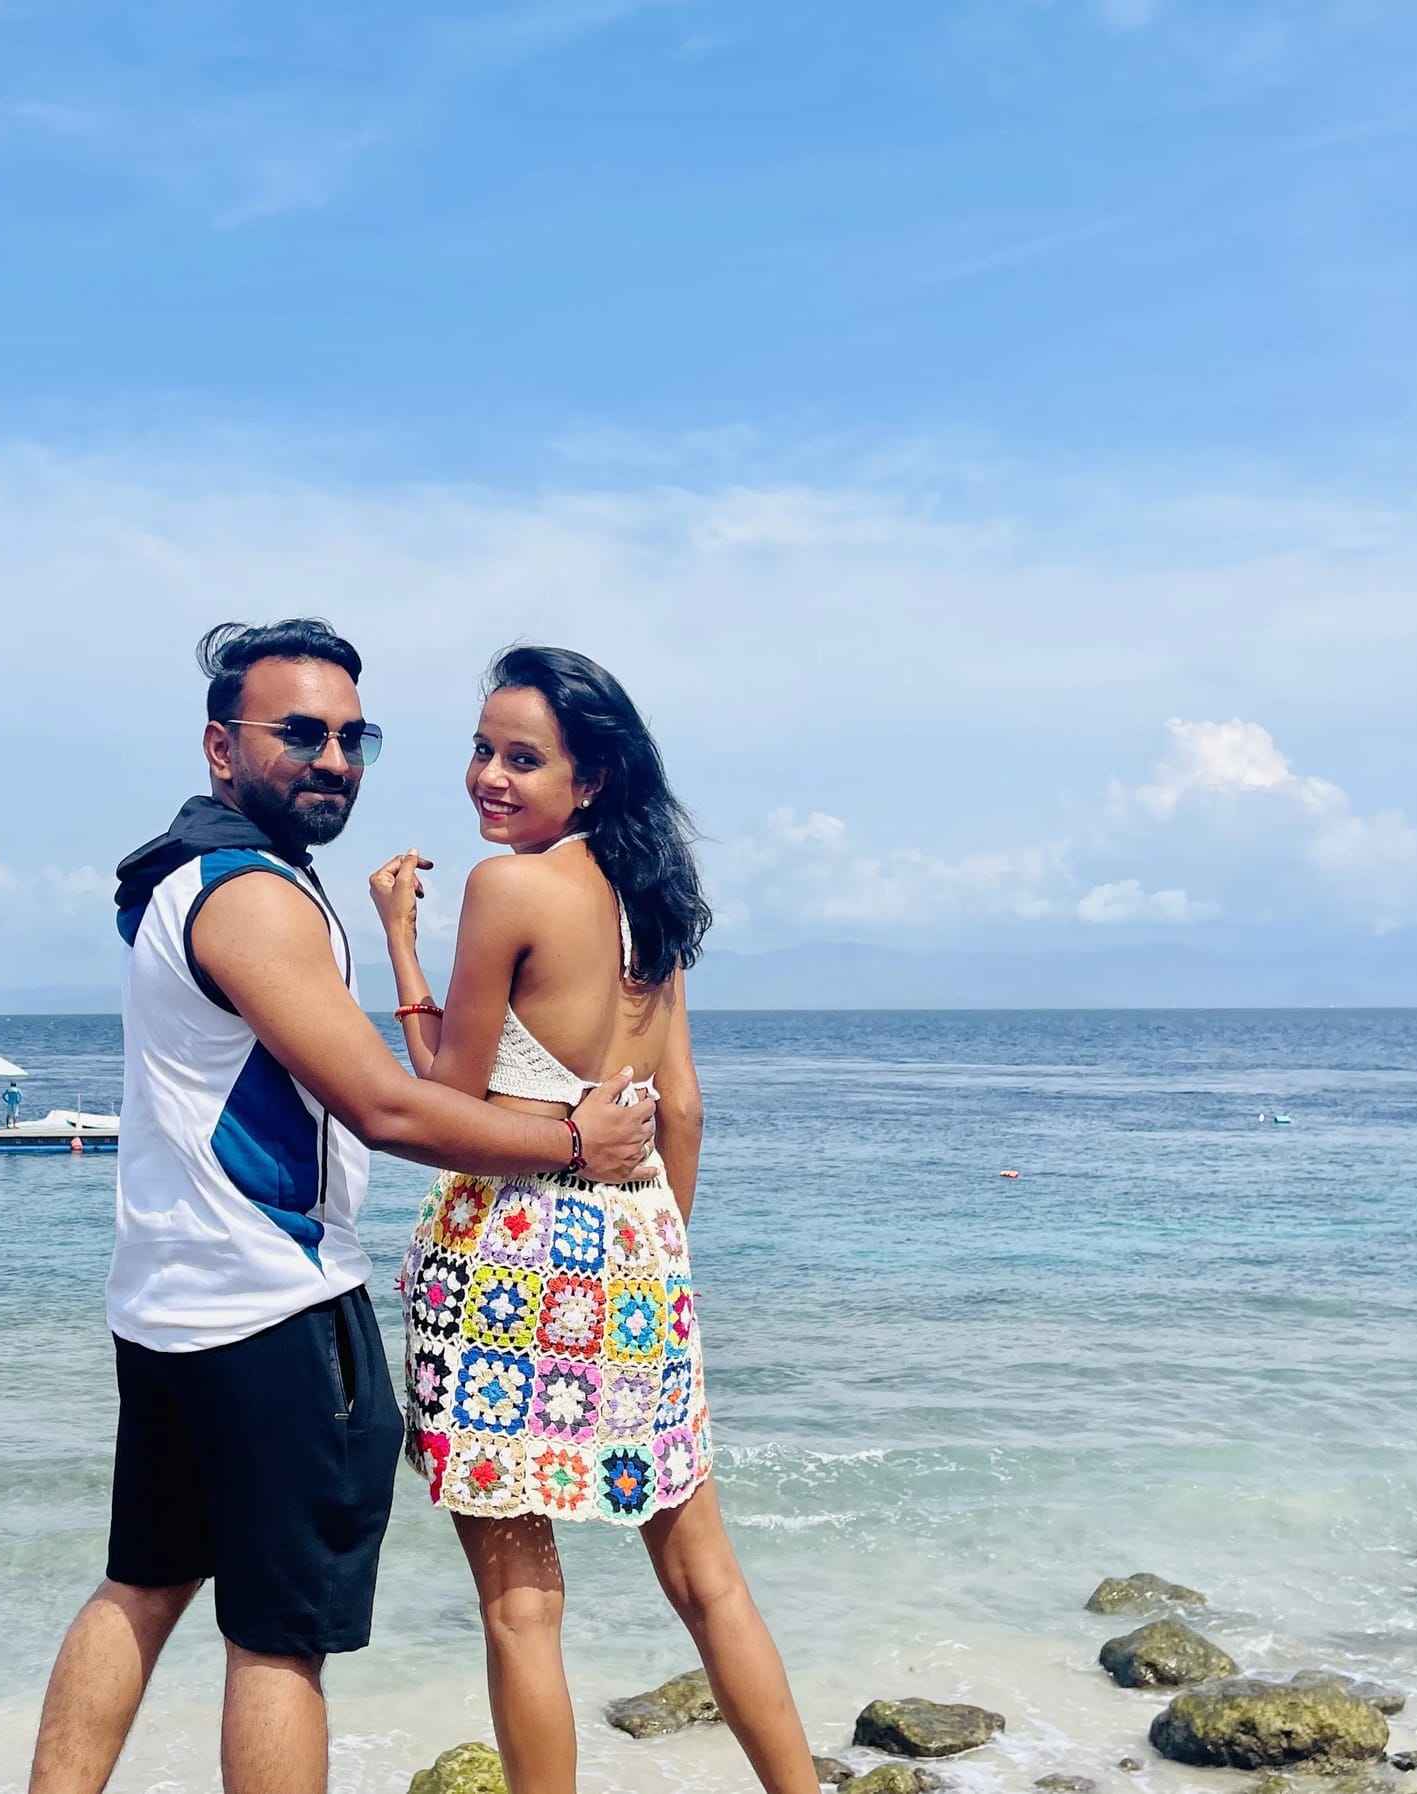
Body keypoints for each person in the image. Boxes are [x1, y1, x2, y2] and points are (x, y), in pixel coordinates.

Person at [27, 621, 659, 1794]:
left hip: (165, 1305)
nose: (332, 759)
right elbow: (384, 1108)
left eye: (351, 738)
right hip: (270, 1310)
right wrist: (576, 1141)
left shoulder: (181, 878)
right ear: (221, 747)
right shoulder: (250, 899)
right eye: (300, 733)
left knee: (143, 1585)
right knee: (278, 1642)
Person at [370, 646, 822, 1794]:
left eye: (523, 759)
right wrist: (651, 1268)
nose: (490, 776)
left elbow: (447, 1096)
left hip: (509, 1256)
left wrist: (399, 941)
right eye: (481, 749)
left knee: (520, 1606)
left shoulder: (507, 888)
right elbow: (685, 1109)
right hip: (637, 1249)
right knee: (704, 1575)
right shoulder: (650, 904)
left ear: (592, 778)